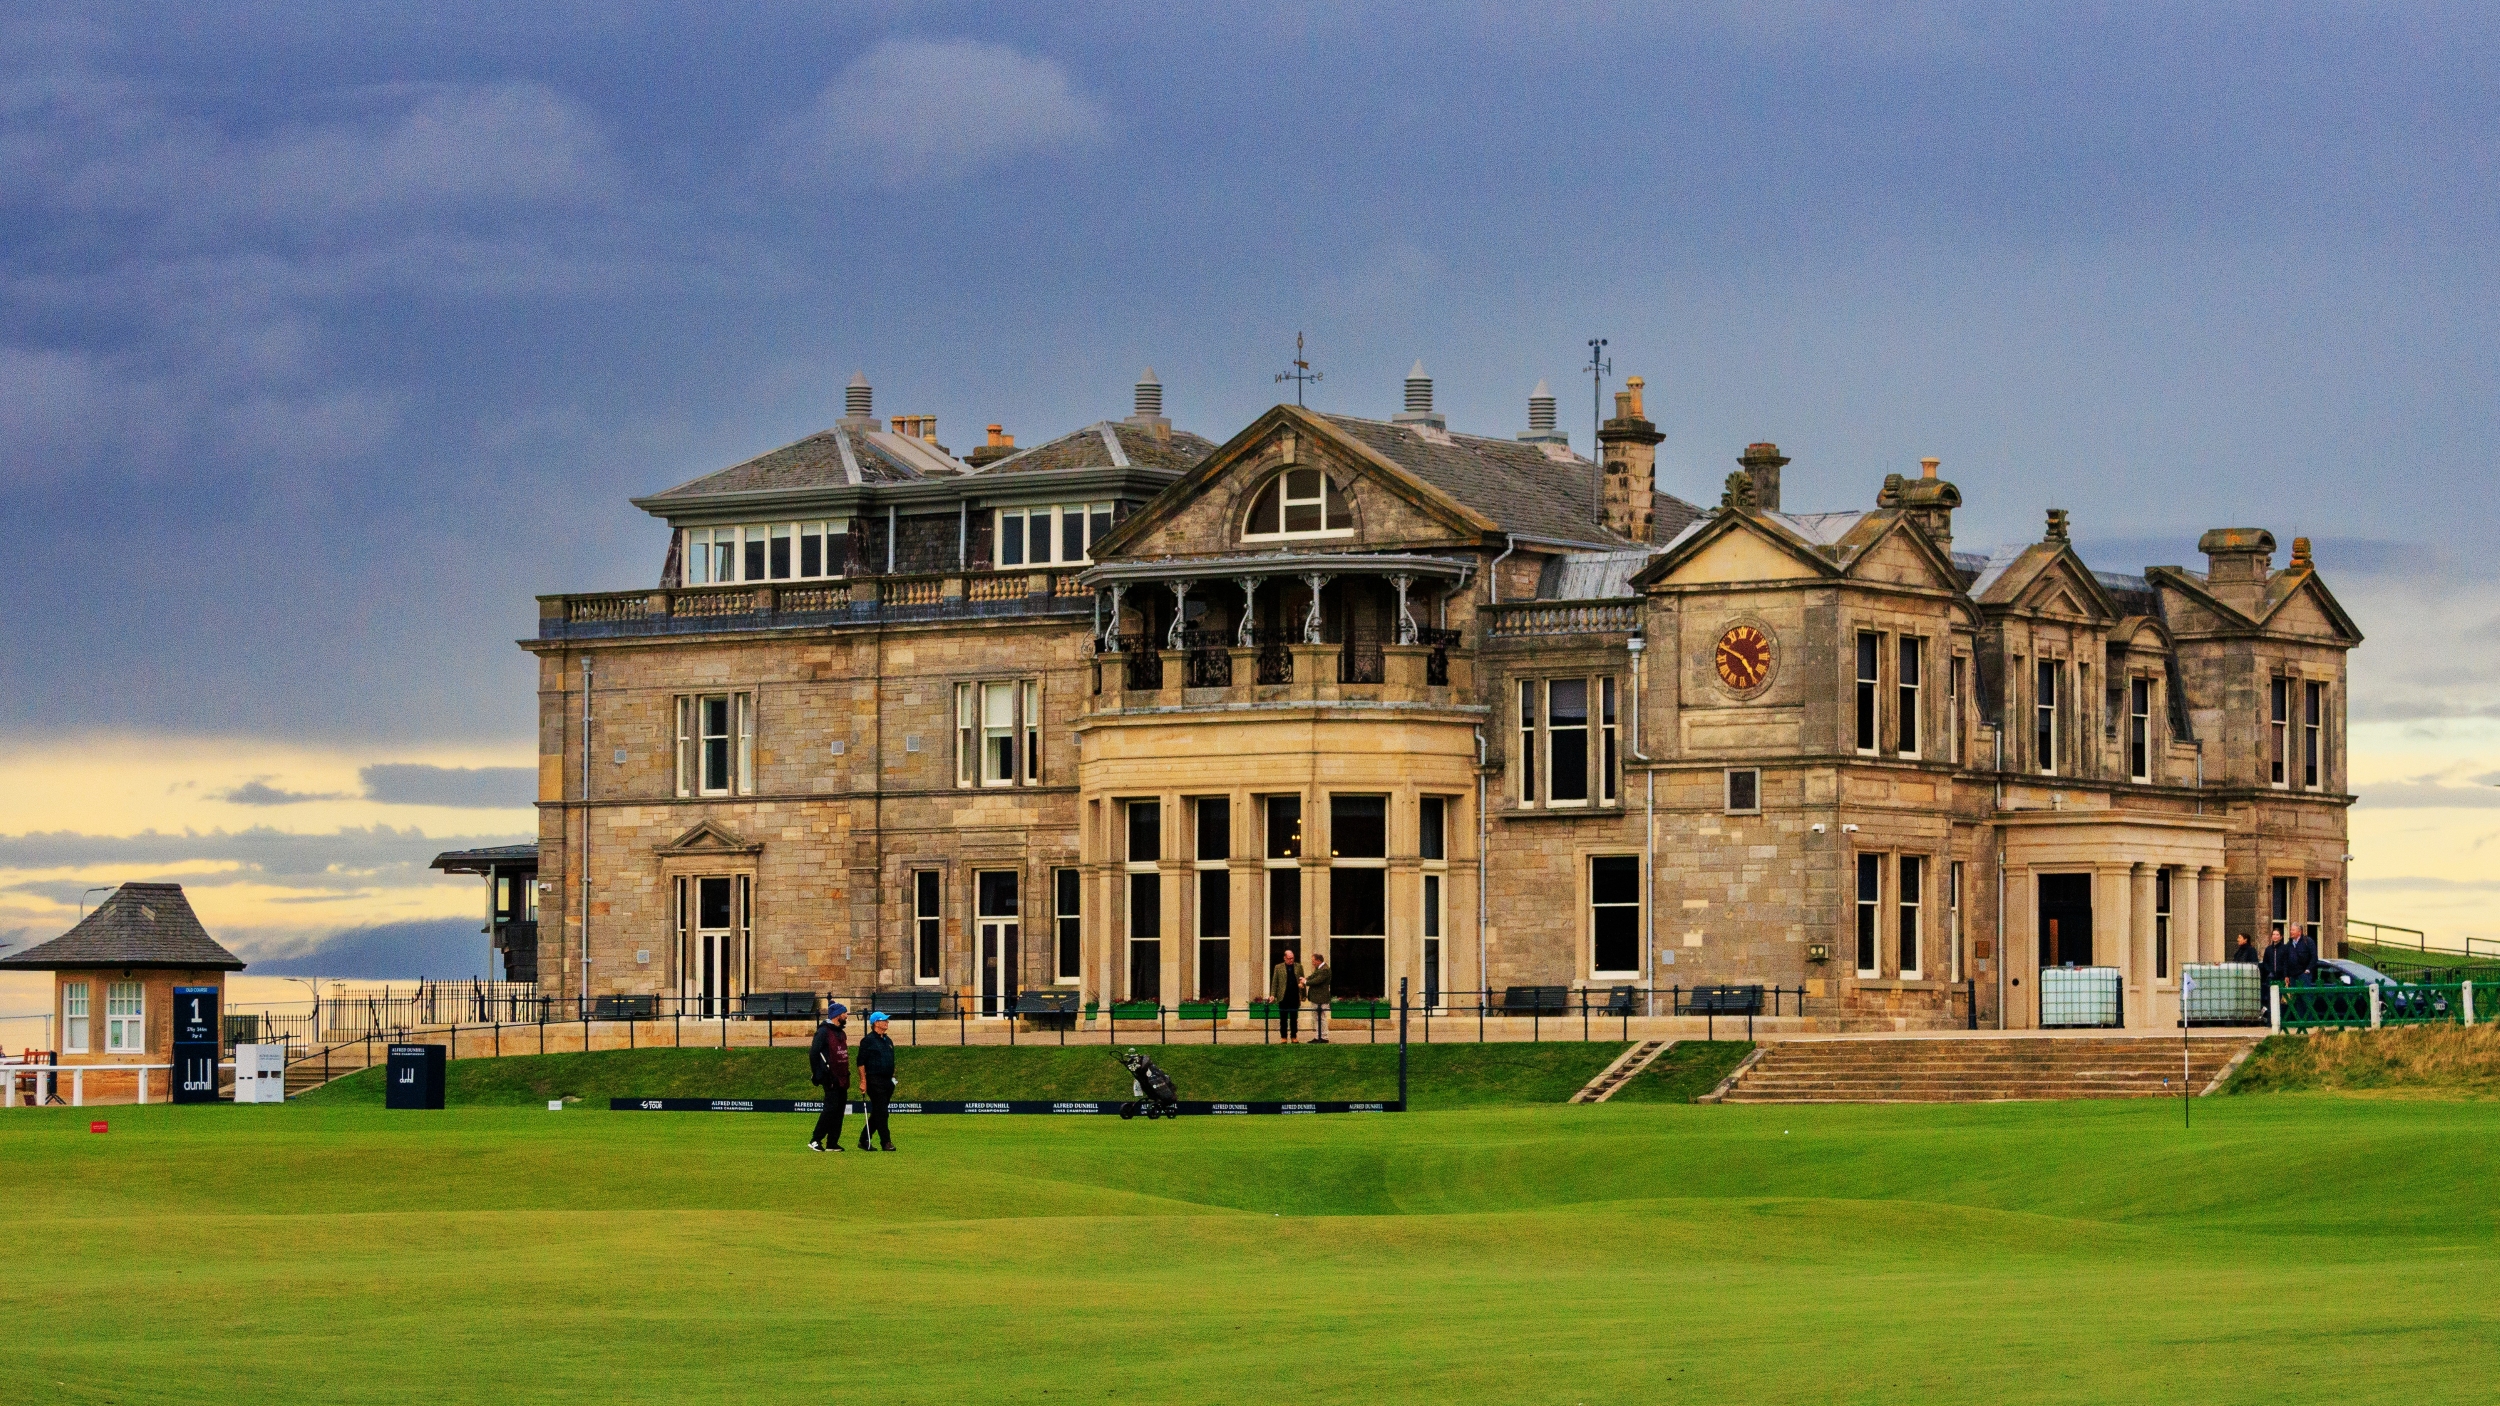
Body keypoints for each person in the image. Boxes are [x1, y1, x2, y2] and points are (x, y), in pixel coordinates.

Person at [807, 1002, 850, 1152]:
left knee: (839, 1110)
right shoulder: (823, 1032)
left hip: (842, 1077)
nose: (846, 1015)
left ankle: (832, 1142)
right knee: (830, 1108)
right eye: (844, 1013)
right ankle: (815, 1139)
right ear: (838, 1015)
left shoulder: (841, 1032)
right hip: (829, 1077)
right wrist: (818, 1074)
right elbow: (813, 1053)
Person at [856, 1011, 897, 1152]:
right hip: (874, 1080)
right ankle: (886, 1142)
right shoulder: (868, 1041)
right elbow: (860, 1063)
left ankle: (863, 1139)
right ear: (876, 1023)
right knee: (882, 1112)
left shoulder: (888, 1040)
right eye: (884, 1020)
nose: (887, 1022)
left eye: (887, 1020)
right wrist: (863, 1081)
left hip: (887, 1081)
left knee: (879, 1112)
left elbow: (891, 1060)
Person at [1271, 948, 1302, 1042]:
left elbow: (1301, 979)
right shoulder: (1278, 967)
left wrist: (1302, 992)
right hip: (1283, 996)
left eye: (1292, 958)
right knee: (1283, 1018)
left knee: (1294, 1018)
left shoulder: (1298, 966)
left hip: (1294, 995)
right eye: (1289, 958)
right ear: (1284, 958)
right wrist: (1273, 995)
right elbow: (1275, 982)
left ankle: (1294, 1036)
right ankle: (1283, 1037)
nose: (1291, 960)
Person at [1304, 951, 1333, 1044]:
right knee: (1316, 1018)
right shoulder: (1319, 968)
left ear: (1318, 960)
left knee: (1322, 1018)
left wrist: (1305, 982)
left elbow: (1317, 980)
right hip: (1316, 997)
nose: (1312, 963)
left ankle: (1324, 1037)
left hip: (1321, 998)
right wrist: (1305, 979)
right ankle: (1317, 1036)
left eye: (1313, 961)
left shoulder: (1325, 969)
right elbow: (1313, 976)